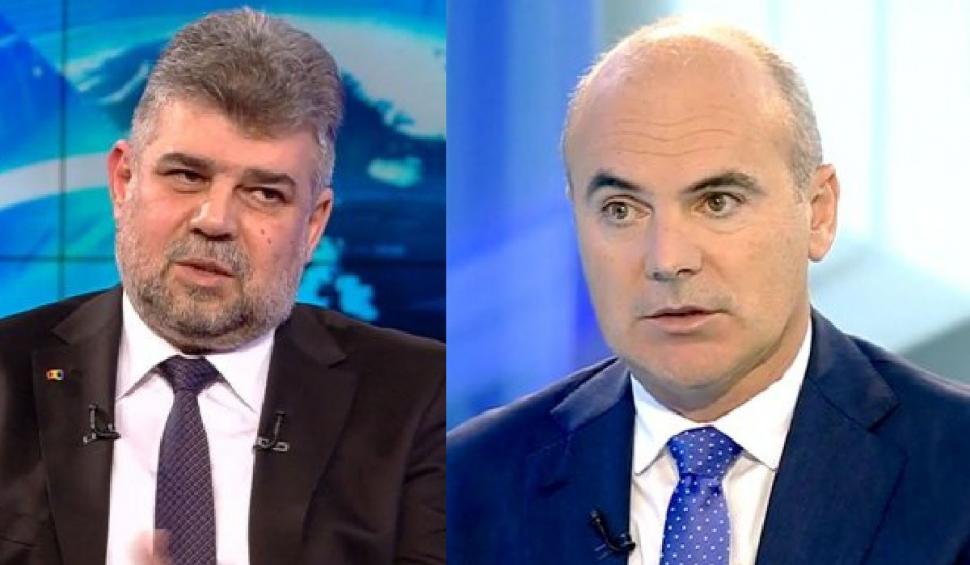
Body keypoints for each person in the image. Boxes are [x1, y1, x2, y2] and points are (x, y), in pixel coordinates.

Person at [447, 18, 970, 565]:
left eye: (717, 202)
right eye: (621, 210)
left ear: (818, 213)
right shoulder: (471, 484)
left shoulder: (954, 472)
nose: (668, 260)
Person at [0, 8, 444, 565]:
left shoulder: (421, 397)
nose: (215, 220)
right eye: (187, 176)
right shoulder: (6, 378)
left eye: (264, 193)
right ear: (123, 181)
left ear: (313, 225)